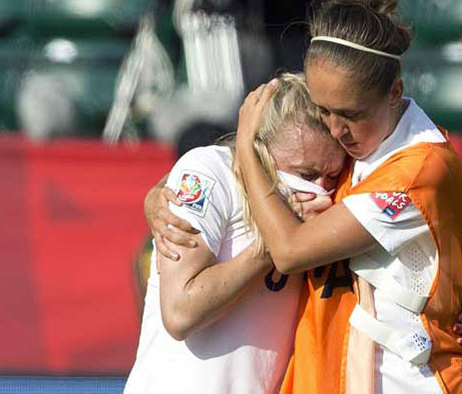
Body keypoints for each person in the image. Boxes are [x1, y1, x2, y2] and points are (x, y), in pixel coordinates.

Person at [232, 0, 462, 393]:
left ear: (395, 92)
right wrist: (162, 194)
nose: (335, 130)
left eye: (350, 114)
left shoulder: (418, 169)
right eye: (323, 110)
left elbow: (290, 251)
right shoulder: (353, 143)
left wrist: (245, 151)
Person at [124, 73, 345, 394]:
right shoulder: (211, 173)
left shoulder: (337, 197)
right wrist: (273, 245)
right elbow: (180, 313)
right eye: (306, 175)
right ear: (262, 153)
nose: (321, 190)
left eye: (332, 176)